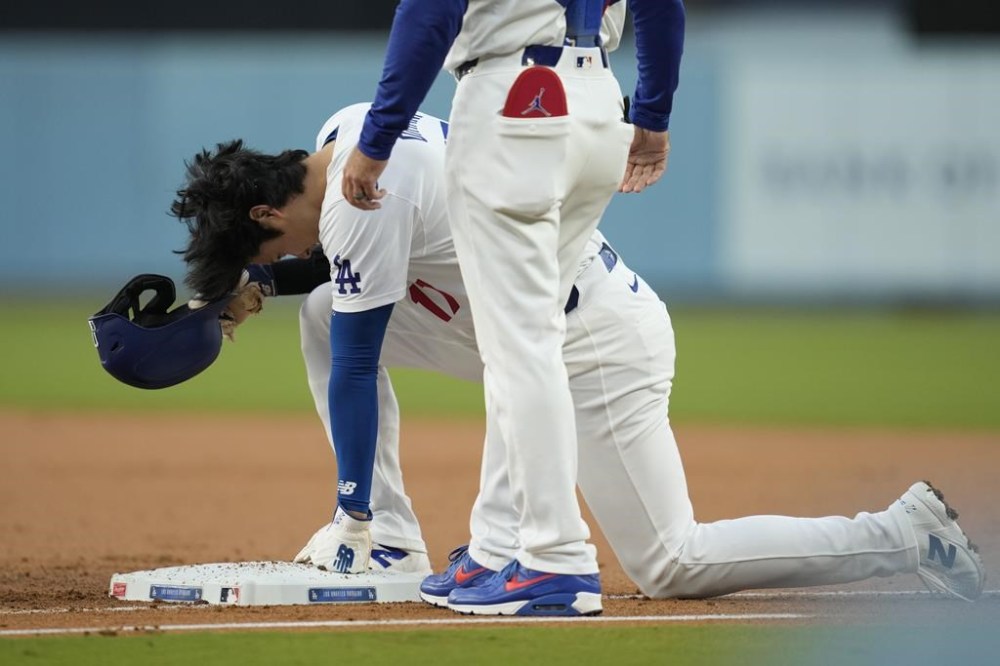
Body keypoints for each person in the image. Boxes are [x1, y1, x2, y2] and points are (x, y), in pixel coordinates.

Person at [170, 103, 984, 618]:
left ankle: (906, 533)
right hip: (515, 326)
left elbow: (355, 358)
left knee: (671, 563)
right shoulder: (344, 138)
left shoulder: (363, 196)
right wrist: (264, 278)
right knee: (321, 308)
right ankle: (392, 535)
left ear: (268, 208)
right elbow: (349, 264)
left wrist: (343, 511)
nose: (284, 248)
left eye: (263, 241)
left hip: (596, 343)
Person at [338, 0, 687, 616]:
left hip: (513, 98)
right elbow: (662, 5)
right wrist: (653, 113)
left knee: (519, 343)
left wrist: (378, 137)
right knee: (528, 337)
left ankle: (556, 557)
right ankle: (498, 546)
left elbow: (429, 12)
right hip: (599, 100)